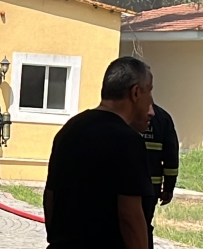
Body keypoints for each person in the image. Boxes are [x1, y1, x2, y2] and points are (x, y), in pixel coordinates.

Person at [44, 56, 155, 249]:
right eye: (150, 91)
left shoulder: (69, 130)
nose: (151, 102)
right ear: (135, 93)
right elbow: (129, 216)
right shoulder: (128, 141)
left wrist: (57, 239)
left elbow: (50, 197)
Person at [142, 103, 179, 249]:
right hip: (150, 188)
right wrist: (168, 188)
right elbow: (171, 157)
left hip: (120, 189)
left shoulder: (123, 115)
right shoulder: (163, 118)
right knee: (144, 226)